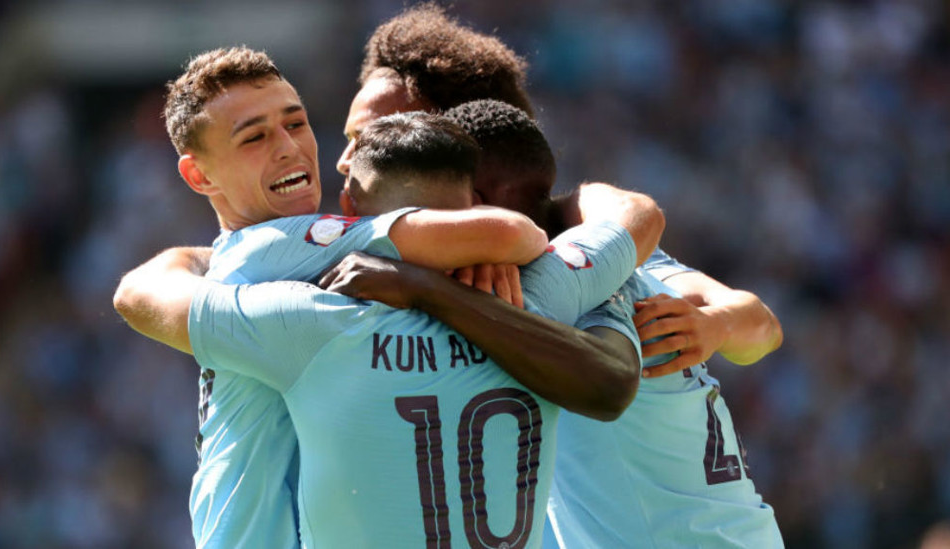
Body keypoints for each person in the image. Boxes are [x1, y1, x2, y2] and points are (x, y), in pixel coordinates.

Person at [115, 46, 666, 547]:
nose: (290, 147)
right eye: (254, 137)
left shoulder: (306, 318)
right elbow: (560, 228)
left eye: (296, 123)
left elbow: (135, 293)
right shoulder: (531, 293)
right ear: (197, 175)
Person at [338, 3, 782, 374]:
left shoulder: (586, 238)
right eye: (350, 139)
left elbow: (761, 326)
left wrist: (716, 326)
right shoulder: (367, 267)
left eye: (371, 139)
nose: (345, 160)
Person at [440, 99, 783, 547]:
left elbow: (765, 327)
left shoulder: (565, 279)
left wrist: (715, 324)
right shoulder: (620, 250)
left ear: (474, 200)